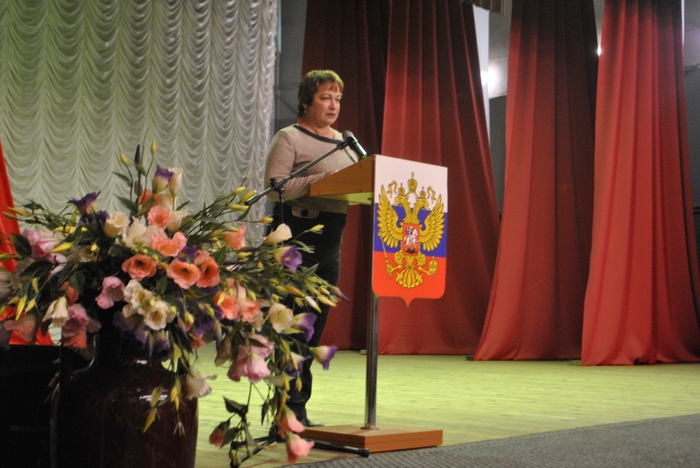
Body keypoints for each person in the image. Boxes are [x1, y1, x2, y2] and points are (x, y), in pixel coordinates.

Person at [264, 70, 358, 427]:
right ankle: (286, 412)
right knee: (291, 328)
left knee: (312, 331)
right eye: (325, 98)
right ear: (306, 101)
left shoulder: (345, 143)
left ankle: (297, 410)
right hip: (295, 240)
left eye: (338, 98)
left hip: (331, 244)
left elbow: (357, 180)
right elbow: (274, 187)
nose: (333, 105)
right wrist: (318, 181)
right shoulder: (289, 137)